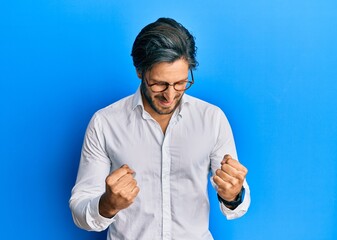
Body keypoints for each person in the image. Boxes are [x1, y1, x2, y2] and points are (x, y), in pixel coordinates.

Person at [69, 17, 250, 240]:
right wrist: (106, 205)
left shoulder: (212, 119)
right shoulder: (105, 123)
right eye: (159, 83)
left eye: (180, 83)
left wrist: (233, 194)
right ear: (139, 71)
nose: (170, 95)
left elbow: (237, 204)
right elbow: (79, 208)